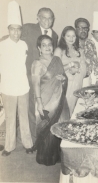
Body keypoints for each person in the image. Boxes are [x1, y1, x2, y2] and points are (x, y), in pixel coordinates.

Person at [0, 1, 33, 156]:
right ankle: (9, 146)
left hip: (23, 86)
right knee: (10, 118)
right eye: (13, 29)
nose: (16, 33)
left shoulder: (24, 45)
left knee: (24, 116)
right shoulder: (2, 45)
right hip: (7, 87)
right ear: (8, 29)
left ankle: (28, 143)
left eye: (18, 29)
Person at [21, 7, 58, 143]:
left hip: (46, 77)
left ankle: (44, 138)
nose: (47, 21)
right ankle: (33, 139)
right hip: (30, 74)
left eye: (50, 18)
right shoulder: (28, 29)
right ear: (38, 17)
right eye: (44, 17)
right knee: (32, 107)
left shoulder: (54, 35)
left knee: (45, 108)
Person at [32, 35, 69, 165]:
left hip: (59, 98)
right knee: (47, 128)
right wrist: (39, 103)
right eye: (44, 45)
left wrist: (63, 79)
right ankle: (46, 157)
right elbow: (36, 84)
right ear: (39, 48)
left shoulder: (57, 60)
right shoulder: (37, 63)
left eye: (49, 44)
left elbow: (63, 76)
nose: (47, 47)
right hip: (45, 99)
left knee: (60, 125)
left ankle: (56, 155)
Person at [54, 26, 87, 116]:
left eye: (73, 36)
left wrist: (78, 69)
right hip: (65, 85)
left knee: (77, 111)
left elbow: (84, 69)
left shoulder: (80, 50)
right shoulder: (59, 50)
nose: (71, 39)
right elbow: (55, 69)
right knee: (65, 112)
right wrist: (70, 66)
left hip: (78, 84)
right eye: (68, 36)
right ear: (63, 36)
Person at [74, 18, 98, 86]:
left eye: (86, 28)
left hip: (87, 80)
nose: (83, 31)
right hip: (74, 79)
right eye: (80, 28)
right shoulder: (71, 43)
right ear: (75, 29)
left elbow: (95, 61)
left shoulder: (90, 43)